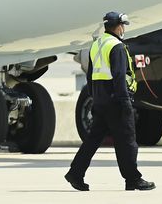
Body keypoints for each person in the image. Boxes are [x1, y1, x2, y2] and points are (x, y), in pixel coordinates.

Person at [65, 11, 156, 192]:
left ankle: (75, 173)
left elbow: (90, 76)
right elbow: (119, 76)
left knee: (92, 140)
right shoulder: (117, 46)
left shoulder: (97, 44)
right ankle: (133, 179)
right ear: (119, 26)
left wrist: (94, 98)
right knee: (127, 141)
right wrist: (124, 102)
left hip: (100, 99)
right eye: (123, 26)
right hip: (116, 99)